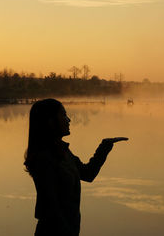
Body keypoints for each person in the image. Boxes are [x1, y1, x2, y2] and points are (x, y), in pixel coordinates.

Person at [24, 98, 128, 236]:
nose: (69, 120)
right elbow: (51, 208)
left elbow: (88, 174)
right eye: (63, 115)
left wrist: (104, 147)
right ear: (50, 121)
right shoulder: (43, 158)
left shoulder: (63, 151)